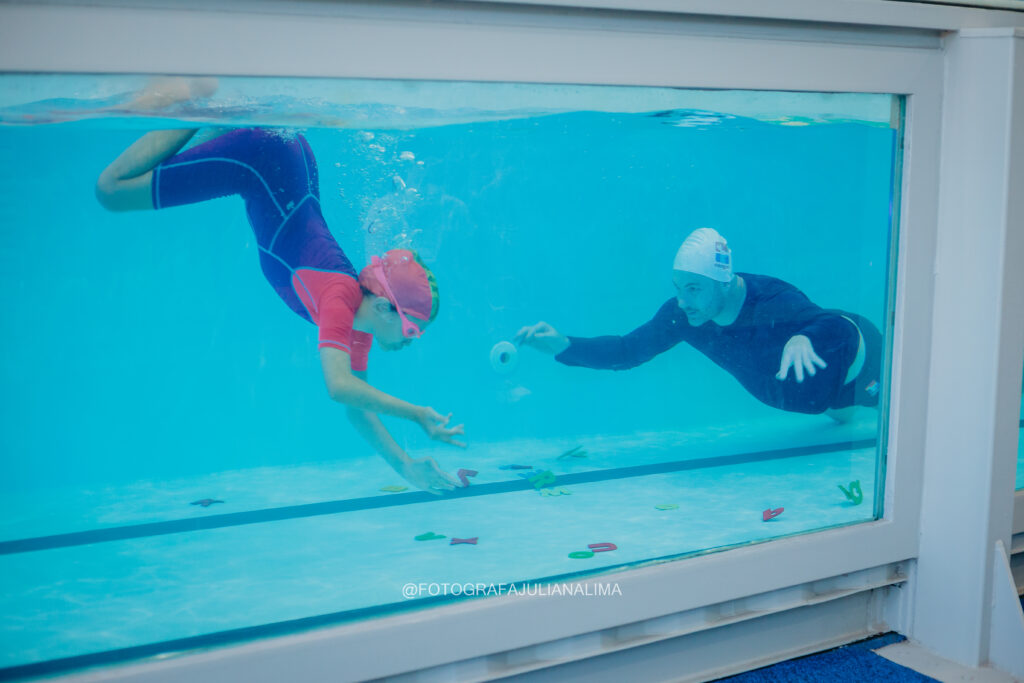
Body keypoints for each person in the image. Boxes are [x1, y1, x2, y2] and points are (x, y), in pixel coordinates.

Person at [95, 79, 464, 494]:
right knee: (110, 192)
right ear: (384, 306)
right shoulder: (340, 299)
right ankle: (194, 98)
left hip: (282, 162)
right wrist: (415, 414)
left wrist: (407, 467)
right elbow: (339, 386)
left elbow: (354, 405)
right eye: (414, 329)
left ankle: (219, 105)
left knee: (133, 182)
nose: (413, 340)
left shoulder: (357, 321)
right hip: (265, 161)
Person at [516, 228, 882, 421]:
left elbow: (838, 327)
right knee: (838, 417)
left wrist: (804, 337)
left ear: (724, 283)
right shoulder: (684, 316)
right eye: (678, 288)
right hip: (822, 399)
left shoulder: (772, 300)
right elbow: (628, 350)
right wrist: (566, 345)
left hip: (862, 366)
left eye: (693, 289)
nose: (682, 301)